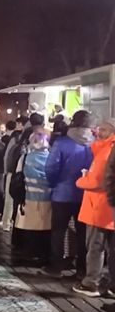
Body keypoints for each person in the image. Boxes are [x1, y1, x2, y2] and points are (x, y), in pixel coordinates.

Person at [41, 110, 94, 278]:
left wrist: (53, 183)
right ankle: (81, 269)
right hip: (86, 194)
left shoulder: (62, 143)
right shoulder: (95, 144)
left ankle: (55, 266)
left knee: (58, 230)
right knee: (83, 233)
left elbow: (51, 167)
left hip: (62, 193)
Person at [72, 119, 115, 297]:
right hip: (107, 209)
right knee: (109, 249)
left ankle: (91, 283)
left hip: (99, 207)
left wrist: (80, 180)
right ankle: (110, 285)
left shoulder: (106, 152)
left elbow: (98, 180)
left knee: (95, 247)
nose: (98, 132)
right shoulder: (105, 149)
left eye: (103, 129)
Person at [13, 130, 52, 265]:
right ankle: (43, 254)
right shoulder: (51, 158)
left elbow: (18, 175)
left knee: (29, 227)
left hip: (29, 197)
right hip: (47, 198)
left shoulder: (25, 158)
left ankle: (29, 253)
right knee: (45, 227)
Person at [0, 117, 26, 231]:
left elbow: (7, 156)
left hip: (13, 172)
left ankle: (6, 222)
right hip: (21, 172)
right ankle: (13, 222)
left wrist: (6, 171)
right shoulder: (22, 138)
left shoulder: (15, 138)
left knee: (10, 198)